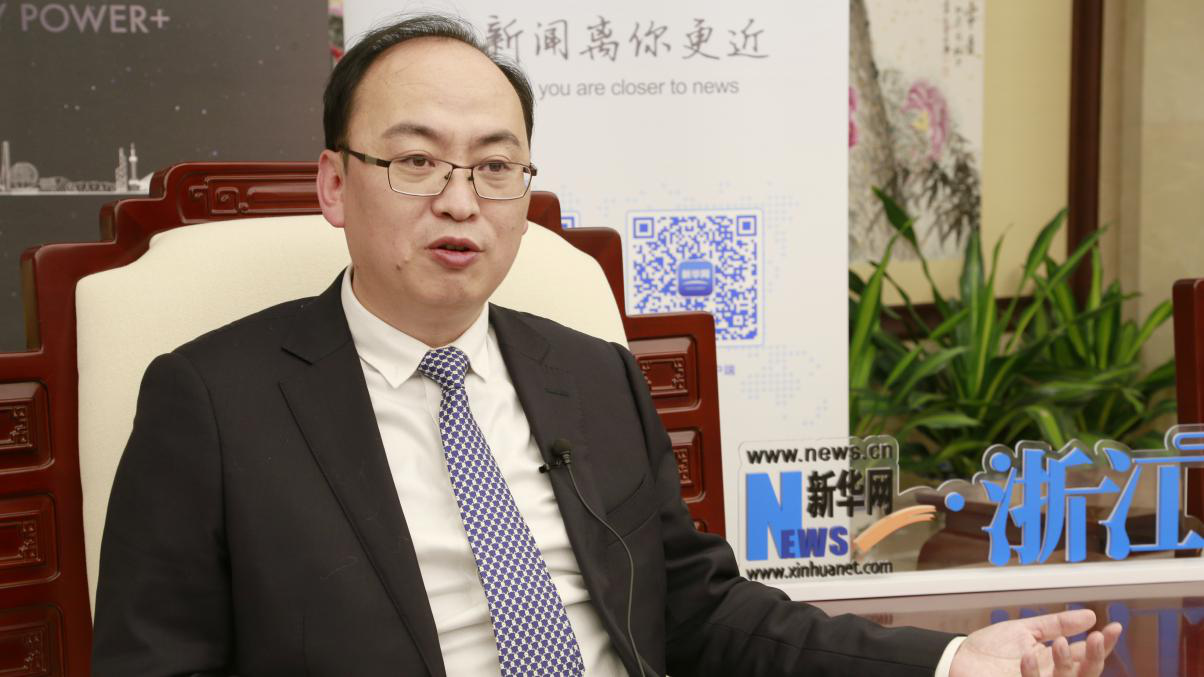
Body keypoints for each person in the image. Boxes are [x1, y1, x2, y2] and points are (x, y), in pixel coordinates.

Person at [92, 13, 1121, 677]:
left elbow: (700, 608)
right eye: (416, 161)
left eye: (496, 166)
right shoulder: (213, 401)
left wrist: (950, 660)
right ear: (334, 184)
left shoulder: (588, 373)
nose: (461, 200)